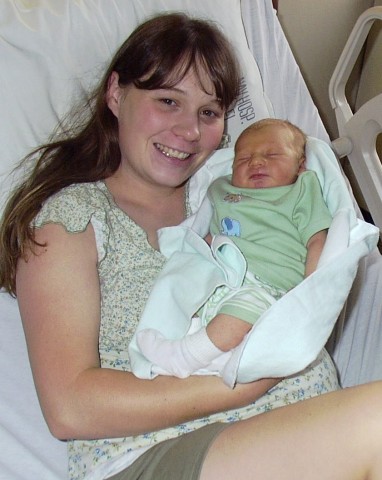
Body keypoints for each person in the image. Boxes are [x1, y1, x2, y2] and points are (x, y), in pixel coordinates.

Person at [0, 11, 381, 480]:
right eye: (167, 101)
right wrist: (247, 381)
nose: (189, 131)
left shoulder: (232, 189)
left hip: (294, 436)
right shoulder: (73, 219)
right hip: (160, 454)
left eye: (208, 113)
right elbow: (70, 407)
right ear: (116, 94)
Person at [136, 118, 332, 380]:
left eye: (272, 154)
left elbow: (318, 239)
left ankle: (185, 357)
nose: (256, 162)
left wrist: (311, 289)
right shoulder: (222, 189)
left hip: (269, 285)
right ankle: (208, 354)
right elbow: (208, 231)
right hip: (223, 275)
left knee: (243, 310)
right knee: (188, 294)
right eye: (243, 159)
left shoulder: (300, 190)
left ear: (300, 165)